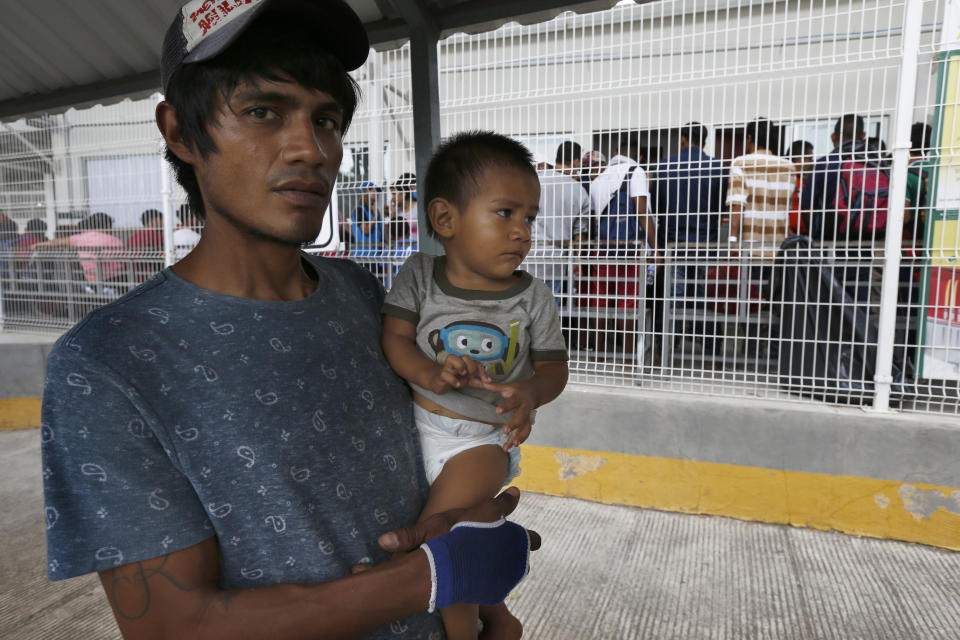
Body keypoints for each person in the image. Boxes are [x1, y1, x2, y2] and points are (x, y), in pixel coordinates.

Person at [40, 3, 539, 639]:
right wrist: (437, 575)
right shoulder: (110, 362)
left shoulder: (361, 295)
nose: (313, 149)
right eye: (263, 112)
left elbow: (427, 468)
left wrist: (481, 592)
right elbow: (173, 627)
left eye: (326, 119)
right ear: (180, 133)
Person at [381, 130, 568, 640]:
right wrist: (429, 372)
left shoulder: (533, 298)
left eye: (529, 217)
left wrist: (528, 392)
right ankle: (499, 615)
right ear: (446, 219)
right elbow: (396, 339)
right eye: (505, 213)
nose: (522, 232)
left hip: (482, 443)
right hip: (419, 429)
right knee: (468, 534)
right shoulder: (419, 276)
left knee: (447, 544)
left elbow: (554, 368)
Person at [579, 137, 653, 360]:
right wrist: (656, 247)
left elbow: (592, 218)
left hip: (601, 250)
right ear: (637, 156)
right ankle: (628, 356)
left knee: (600, 300)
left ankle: (598, 353)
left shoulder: (598, 177)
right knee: (627, 302)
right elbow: (642, 211)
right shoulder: (636, 171)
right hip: (629, 251)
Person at [726, 118, 797, 263]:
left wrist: (732, 242)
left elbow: (737, 206)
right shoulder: (788, 167)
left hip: (751, 250)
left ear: (750, 138)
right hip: (779, 251)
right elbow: (787, 211)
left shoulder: (741, 164)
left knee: (749, 285)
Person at [528, 141, 591, 300]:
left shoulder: (532, 183)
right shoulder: (577, 189)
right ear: (576, 162)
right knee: (549, 315)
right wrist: (576, 260)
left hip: (526, 258)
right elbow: (580, 234)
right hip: (556, 262)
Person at [34, 212, 125, 285]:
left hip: (91, 281)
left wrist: (38, 245)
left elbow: (56, 243)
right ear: (108, 225)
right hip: (114, 280)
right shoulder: (115, 240)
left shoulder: (80, 238)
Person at [126, 208, 165, 279]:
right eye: (162, 220)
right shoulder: (159, 236)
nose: (163, 223)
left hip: (133, 276)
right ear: (154, 221)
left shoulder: (132, 237)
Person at [349, 180, 383, 259]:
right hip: (363, 255)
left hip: (375, 255)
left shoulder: (374, 210)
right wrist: (375, 217)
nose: (376, 194)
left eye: (376, 191)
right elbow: (366, 230)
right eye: (372, 191)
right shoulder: (359, 210)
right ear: (365, 192)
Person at [787, 140, 814, 236]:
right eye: (810, 159)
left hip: (807, 235)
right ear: (799, 159)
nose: (812, 163)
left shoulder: (808, 180)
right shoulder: (786, 179)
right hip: (789, 235)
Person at [391, 172, 419, 245]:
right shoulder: (397, 211)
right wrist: (392, 213)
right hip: (401, 249)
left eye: (394, 194)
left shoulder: (418, 208)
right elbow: (391, 234)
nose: (392, 197)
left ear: (403, 193)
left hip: (416, 247)